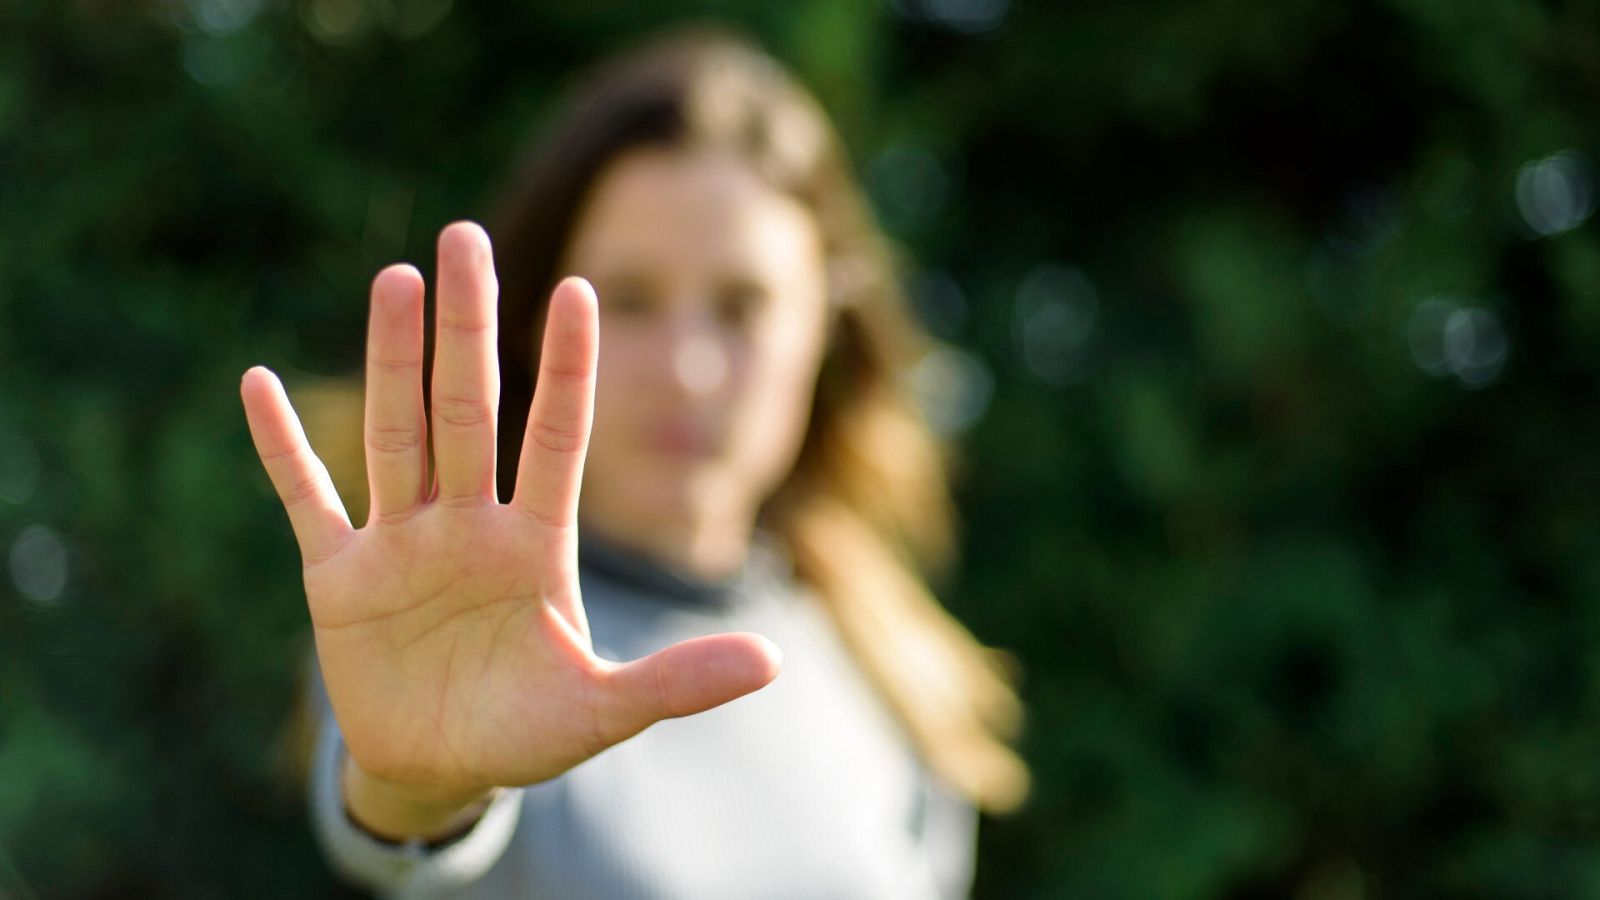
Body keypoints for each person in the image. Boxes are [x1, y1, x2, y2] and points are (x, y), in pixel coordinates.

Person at [240, 28, 1027, 898]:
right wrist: (422, 788)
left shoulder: (894, 662)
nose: (687, 367)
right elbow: (403, 821)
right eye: (630, 299)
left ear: (825, 334)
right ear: (535, 323)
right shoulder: (447, 615)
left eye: (742, 307)